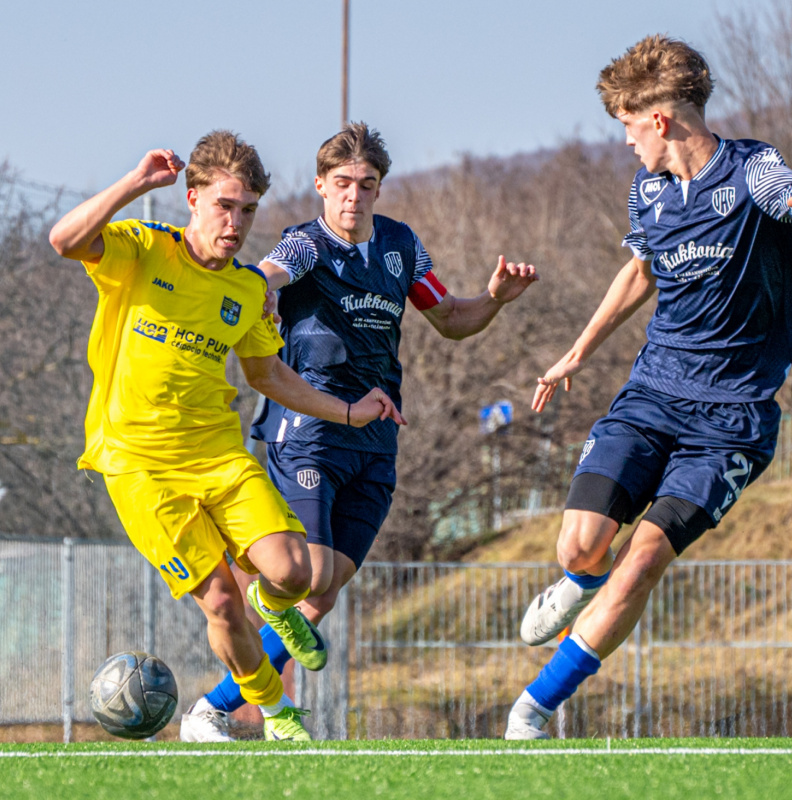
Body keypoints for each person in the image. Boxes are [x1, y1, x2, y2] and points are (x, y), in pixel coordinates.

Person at [180, 121, 538, 742]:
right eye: (341, 183)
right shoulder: (307, 243)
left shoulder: (400, 248)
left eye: (366, 184)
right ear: (321, 186)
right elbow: (271, 270)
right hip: (310, 429)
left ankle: (212, 708)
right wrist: (260, 287)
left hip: (377, 435)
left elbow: (451, 319)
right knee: (308, 578)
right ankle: (242, 678)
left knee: (322, 596)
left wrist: (496, 298)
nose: (353, 196)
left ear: (379, 189)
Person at [49, 130, 404, 742]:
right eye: (224, 205)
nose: (235, 222)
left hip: (219, 455)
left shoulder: (244, 290)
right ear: (192, 198)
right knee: (218, 600)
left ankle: (273, 610)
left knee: (296, 575)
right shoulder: (142, 251)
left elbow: (268, 375)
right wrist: (135, 184)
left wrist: (347, 411)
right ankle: (274, 710)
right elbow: (64, 240)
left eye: (247, 210)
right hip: (140, 466)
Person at [505, 34, 792, 739]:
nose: (626, 142)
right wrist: (576, 352)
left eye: (627, 126)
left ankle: (535, 708)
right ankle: (577, 583)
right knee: (581, 547)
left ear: (659, 120)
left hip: (731, 418)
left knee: (643, 558)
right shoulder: (648, 190)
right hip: (653, 395)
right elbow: (641, 271)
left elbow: (789, 195)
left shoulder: (751, 169)